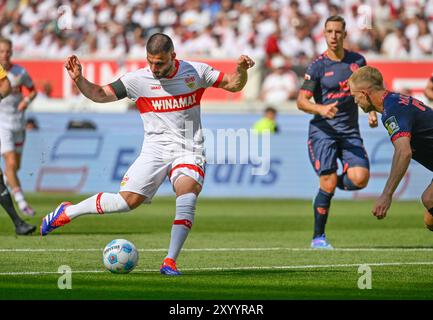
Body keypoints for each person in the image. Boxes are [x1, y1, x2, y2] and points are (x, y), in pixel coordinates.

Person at [40, 33, 255, 276]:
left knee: (188, 192)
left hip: (189, 149)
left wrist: (241, 69)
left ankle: (170, 261)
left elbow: (233, 84)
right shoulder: (137, 80)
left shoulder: (196, 71)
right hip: (155, 149)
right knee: (126, 202)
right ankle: (68, 211)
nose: (154, 68)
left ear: (173, 57)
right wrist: (79, 80)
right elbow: (100, 94)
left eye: (160, 63)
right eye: (150, 61)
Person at [296, 16, 378, 250]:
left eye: (338, 32)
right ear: (324, 34)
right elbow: (301, 101)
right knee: (328, 181)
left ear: (344, 35)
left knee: (360, 179)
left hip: (350, 132)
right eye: (329, 31)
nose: (333, 36)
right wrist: (320, 108)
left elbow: (368, 92)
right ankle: (318, 237)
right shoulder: (318, 65)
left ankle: (330, 185)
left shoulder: (357, 61)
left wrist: (371, 111)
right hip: (323, 132)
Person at [348, 65, 433, 228]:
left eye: (355, 96)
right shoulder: (394, 101)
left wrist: (387, 194)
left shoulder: (393, 111)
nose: (355, 101)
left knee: (429, 200)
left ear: (365, 94)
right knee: (429, 210)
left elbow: (404, 152)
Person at [0, 38, 38, 217]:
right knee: (11, 162)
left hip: (19, 124)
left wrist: (26, 100)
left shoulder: (20, 72)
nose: (5, 55)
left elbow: (33, 90)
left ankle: (9, 182)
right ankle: (22, 203)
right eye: (1, 52)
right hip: (2, 124)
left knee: (16, 167)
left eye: (7, 51)